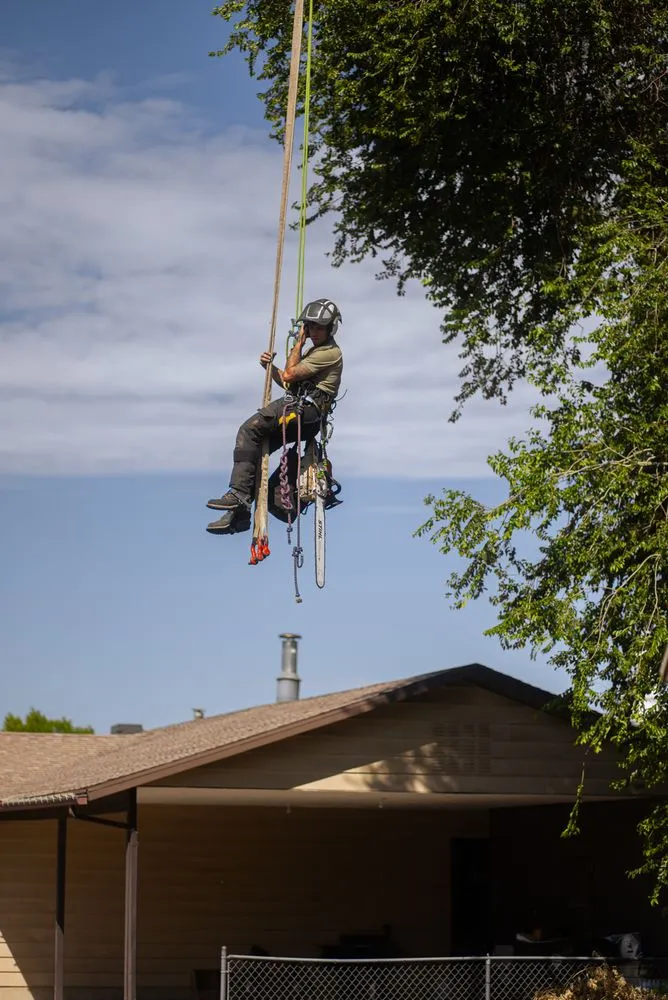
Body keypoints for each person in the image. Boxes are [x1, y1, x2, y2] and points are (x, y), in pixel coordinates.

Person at [206, 298, 344, 535]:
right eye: (310, 327)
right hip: (300, 409)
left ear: (331, 328)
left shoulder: (329, 352)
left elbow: (290, 374)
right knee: (256, 448)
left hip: (305, 412)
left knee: (248, 430)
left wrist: (297, 345)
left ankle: (238, 494)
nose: (313, 332)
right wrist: (270, 370)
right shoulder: (316, 352)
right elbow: (290, 384)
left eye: (318, 327)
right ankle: (240, 515)